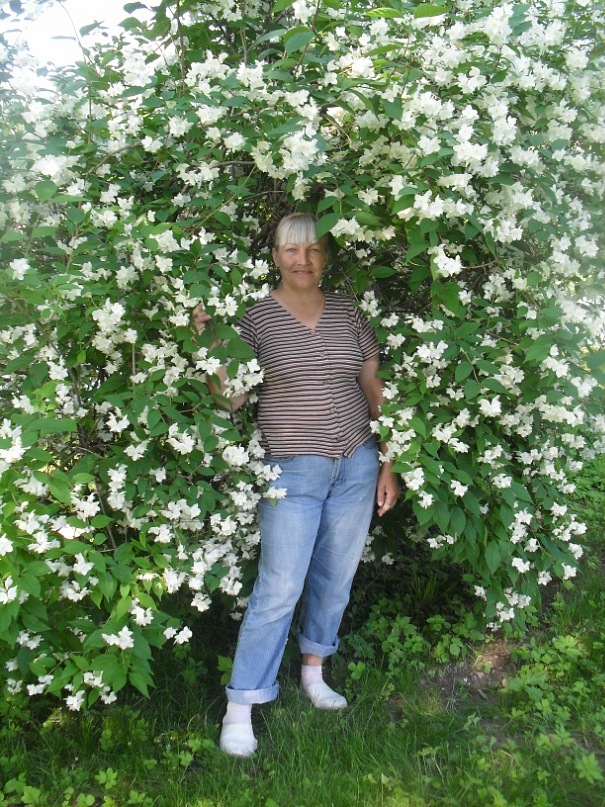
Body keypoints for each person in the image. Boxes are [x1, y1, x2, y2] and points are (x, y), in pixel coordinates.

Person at [192, 213, 399, 758]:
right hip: (291, 471)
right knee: (280, 586)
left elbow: (374, 388)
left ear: (326, 256)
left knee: (336, 577)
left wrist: (389, 462)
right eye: (291, 250)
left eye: (312, 250)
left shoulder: (350, 314)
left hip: (357, 463)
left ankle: (313, 671)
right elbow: (230, 398)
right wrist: (208, 342)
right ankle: (242, 705)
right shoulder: (256, 319)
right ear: (276, 256)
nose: (302, 260)